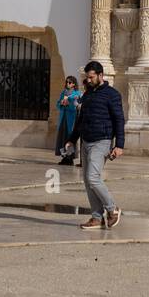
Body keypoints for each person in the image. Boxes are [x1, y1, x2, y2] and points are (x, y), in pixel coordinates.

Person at [62, 60, 124, 230]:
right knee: (88, 182)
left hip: (102, 141)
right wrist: (71, 139)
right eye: (87, 77)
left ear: (100, 75)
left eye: (91, 77)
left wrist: (119, 145)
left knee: (93, 178)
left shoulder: (112, 94)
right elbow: (80, 120)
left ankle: (113, 210)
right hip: (86, 141)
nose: (88, 80)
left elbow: (119, 120)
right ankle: (97, 217)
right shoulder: (87, 94)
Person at [54, 76, 81, 165]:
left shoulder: (77, 93)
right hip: (63, 118)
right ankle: (64, 157)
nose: (67, 84)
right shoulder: (63, 92)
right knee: (62, 138)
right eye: (67, 82)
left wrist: (69, 104)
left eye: (69, 82)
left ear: (74, 84)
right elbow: (57, 104)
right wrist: (61, 103)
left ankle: (70, 158)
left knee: (69, 137)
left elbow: (76, 107)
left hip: (71, 119)